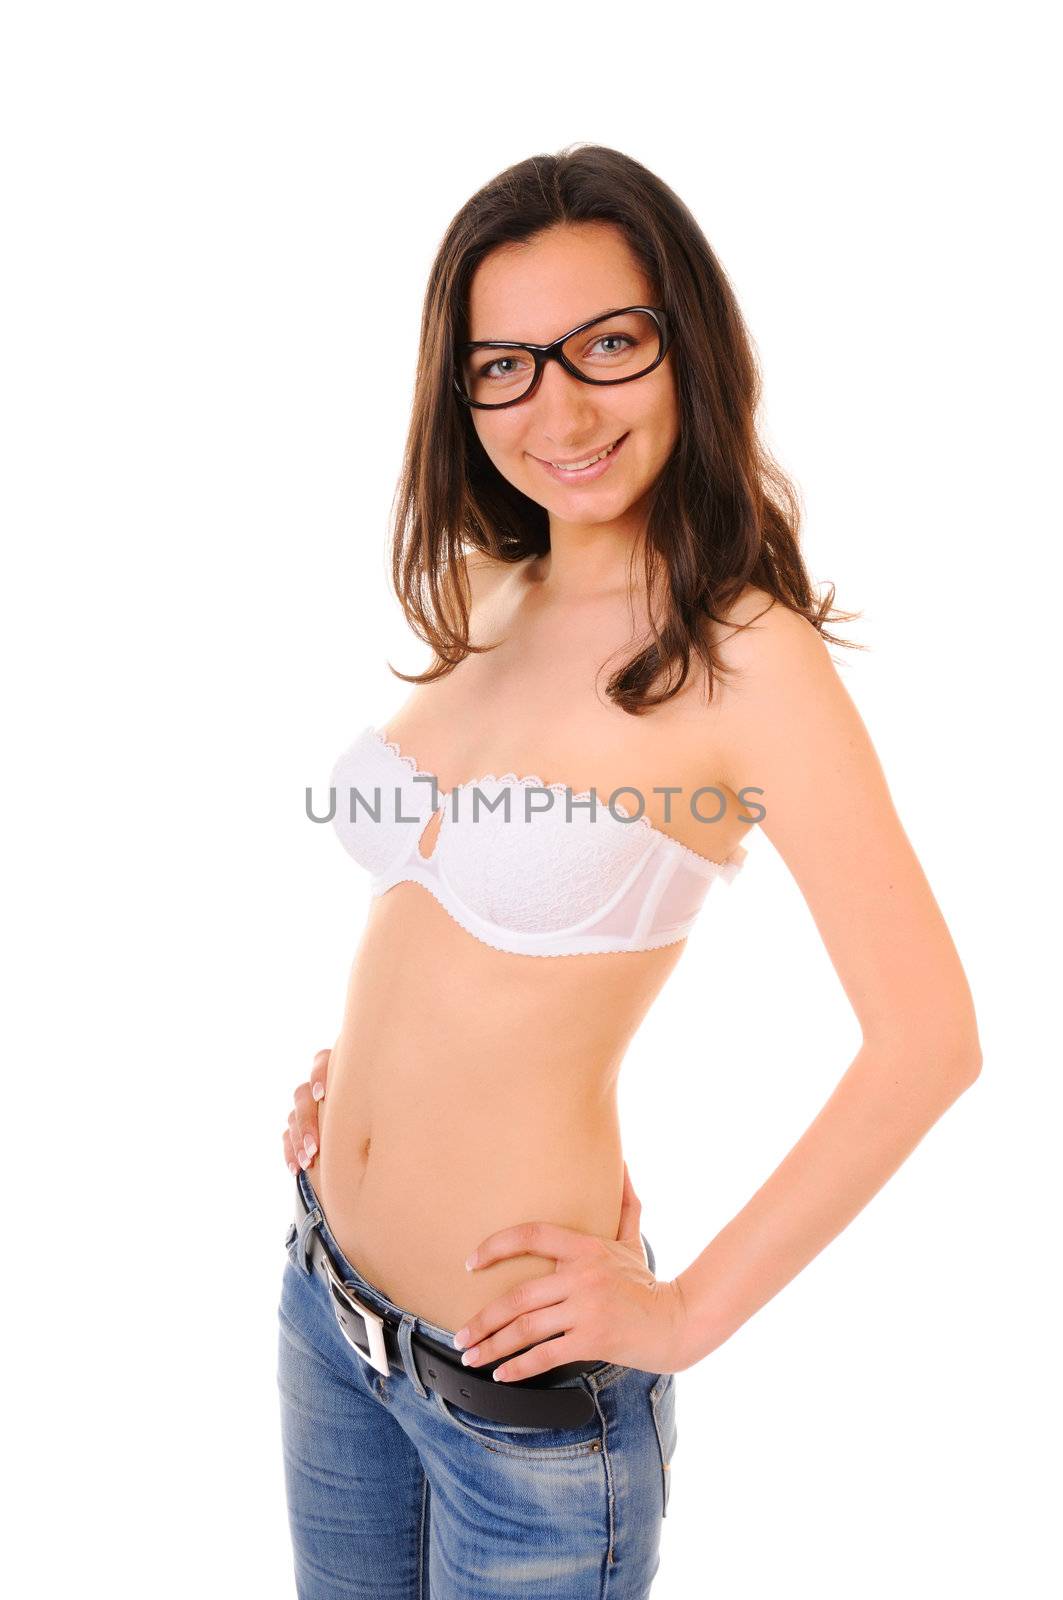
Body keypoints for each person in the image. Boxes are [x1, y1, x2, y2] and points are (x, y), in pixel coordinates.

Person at [276, 144, 982, 1599]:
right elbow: (449, 910)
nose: (562, 409)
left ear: (689, 347)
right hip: (329, 1317)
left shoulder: (745, 658)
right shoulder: (492, 583)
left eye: (609, 344)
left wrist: (685, 1313)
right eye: (506, 366)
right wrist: (375, 1078)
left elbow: (931, 1043)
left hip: (522, 1400)